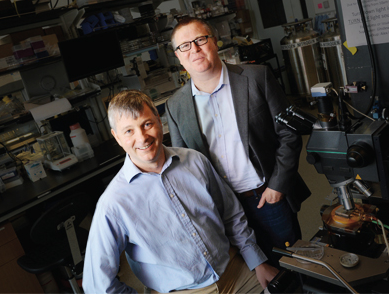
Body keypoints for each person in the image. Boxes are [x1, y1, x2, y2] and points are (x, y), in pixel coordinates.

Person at [82, 90, 279, 293]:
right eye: (129, 131)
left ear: (159, 120)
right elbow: (97, 284)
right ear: (117, 137)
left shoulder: (194, 160)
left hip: (235, 272)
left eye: (146, 124)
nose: (142, 138)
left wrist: (257, 262)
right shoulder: (113, 203)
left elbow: (230, 214)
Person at [165, 17, 311, 266]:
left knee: (289, 268)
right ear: (178, 56)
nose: (194, 50)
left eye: (200, 40)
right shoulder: (175, 105)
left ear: (214, 41)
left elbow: (289, 133)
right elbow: (184, 166)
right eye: (185, 46)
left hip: (266, 197)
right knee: (251, 273)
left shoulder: (256, 77)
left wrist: (277, 185)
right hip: (222, 211)